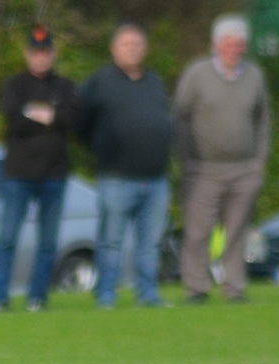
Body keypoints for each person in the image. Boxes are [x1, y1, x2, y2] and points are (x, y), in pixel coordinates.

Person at [173, 14, 270, 304]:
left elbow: (263, 120)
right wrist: (185, 157)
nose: (234, 49)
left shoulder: (254, 75)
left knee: (237, 233)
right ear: (215, 45)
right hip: (203, 169)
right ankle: (197, 289)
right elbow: (179, 116)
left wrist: (258, 163)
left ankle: (234, 288)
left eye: (239, 44)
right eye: (228, 44)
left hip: (244, 170)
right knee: (198, 232)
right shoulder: (197, 73)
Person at [76, 22, 173, 309]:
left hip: (155, 178)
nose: (132, 49)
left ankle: (148, 293)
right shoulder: (100, 82)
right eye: (126, 44)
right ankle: (106, 294)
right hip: (116, 177)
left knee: (150, 243)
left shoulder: (154, 81)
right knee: (111, 242)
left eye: (137, 44)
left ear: (144, 49)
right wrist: (102, 148)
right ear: (113, 49)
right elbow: (82, 124)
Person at [0, 25, 79, 313]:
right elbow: (15, 121)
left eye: (46, 52)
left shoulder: (64, 86)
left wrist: (38, 115)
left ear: (52, 54)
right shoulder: (14, 85)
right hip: (18, 175)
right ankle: (0, 298)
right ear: (28, 54)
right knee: (7, 238)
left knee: (48, 242)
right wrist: (49, 117)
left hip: (54, 175)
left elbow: (71, 117)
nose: (41, 57)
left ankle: (37, 297)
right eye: (36, 52)